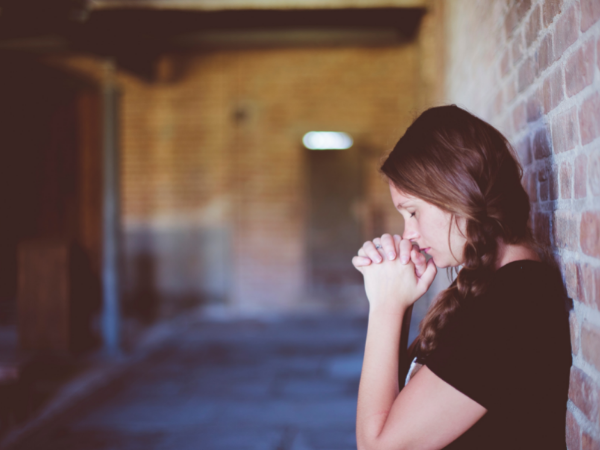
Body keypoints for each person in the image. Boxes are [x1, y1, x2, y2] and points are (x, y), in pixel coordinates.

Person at [351, 105, 572, 450]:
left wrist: (385, 308)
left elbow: (380, 446)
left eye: (413, 212)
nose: (407, 233)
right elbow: (397, 409)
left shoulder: (514, 304)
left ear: (457, 193)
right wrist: (401, 301)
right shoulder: (491, 286)